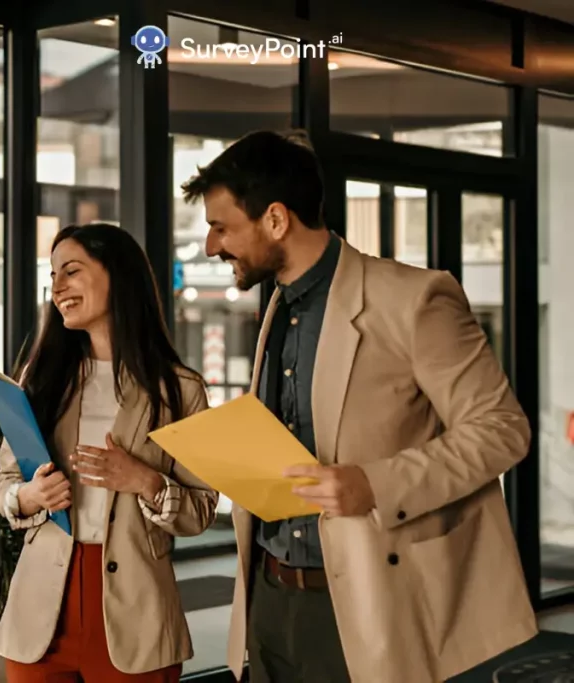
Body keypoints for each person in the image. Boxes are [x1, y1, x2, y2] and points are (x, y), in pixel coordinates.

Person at [180, 130, 536, 683]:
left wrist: (376, 484)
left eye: (221, 227)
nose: (210, 246)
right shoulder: (277, 304)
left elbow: (502, 429)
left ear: (276, 219)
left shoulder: (413, 298)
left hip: (368, 604)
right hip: (268, 598)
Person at [0, 223, 219, 683]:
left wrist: (145, 481)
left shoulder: (180, 390)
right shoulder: (43, 378)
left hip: (136, 615)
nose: (57, 288)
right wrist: (30, 496)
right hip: (41, 611)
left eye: (71, 272)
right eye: (52, 276)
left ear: (117, 275)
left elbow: (201, 510)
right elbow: (2, 485)